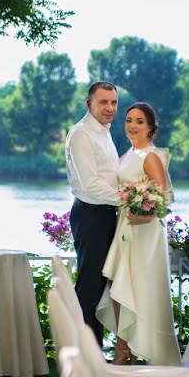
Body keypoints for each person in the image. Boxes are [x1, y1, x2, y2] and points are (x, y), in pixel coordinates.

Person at [95, 102, 182, 366]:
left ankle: (127, 351)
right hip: (126, 227)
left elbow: (164, 197)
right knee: (120, 287)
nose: (132, 125)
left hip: (144, 231)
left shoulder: (150, 156)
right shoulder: (130, 152)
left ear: (151, 127)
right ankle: (125, 348)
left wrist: (145, 216)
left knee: (139, 287)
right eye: (129, 120)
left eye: (140, 121)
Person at [64, 81, 122, 347]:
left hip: (108, 214)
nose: (109, 108)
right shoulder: (81, 135)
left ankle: (95, 352)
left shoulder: (104, 132)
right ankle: (84, 356)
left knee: (100, 290)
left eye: (113, 102)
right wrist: (129, 199)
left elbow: (110, 177)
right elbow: (91, 185)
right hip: (91, 216)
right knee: (89, 287)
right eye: (103, 102)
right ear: (89, 104)